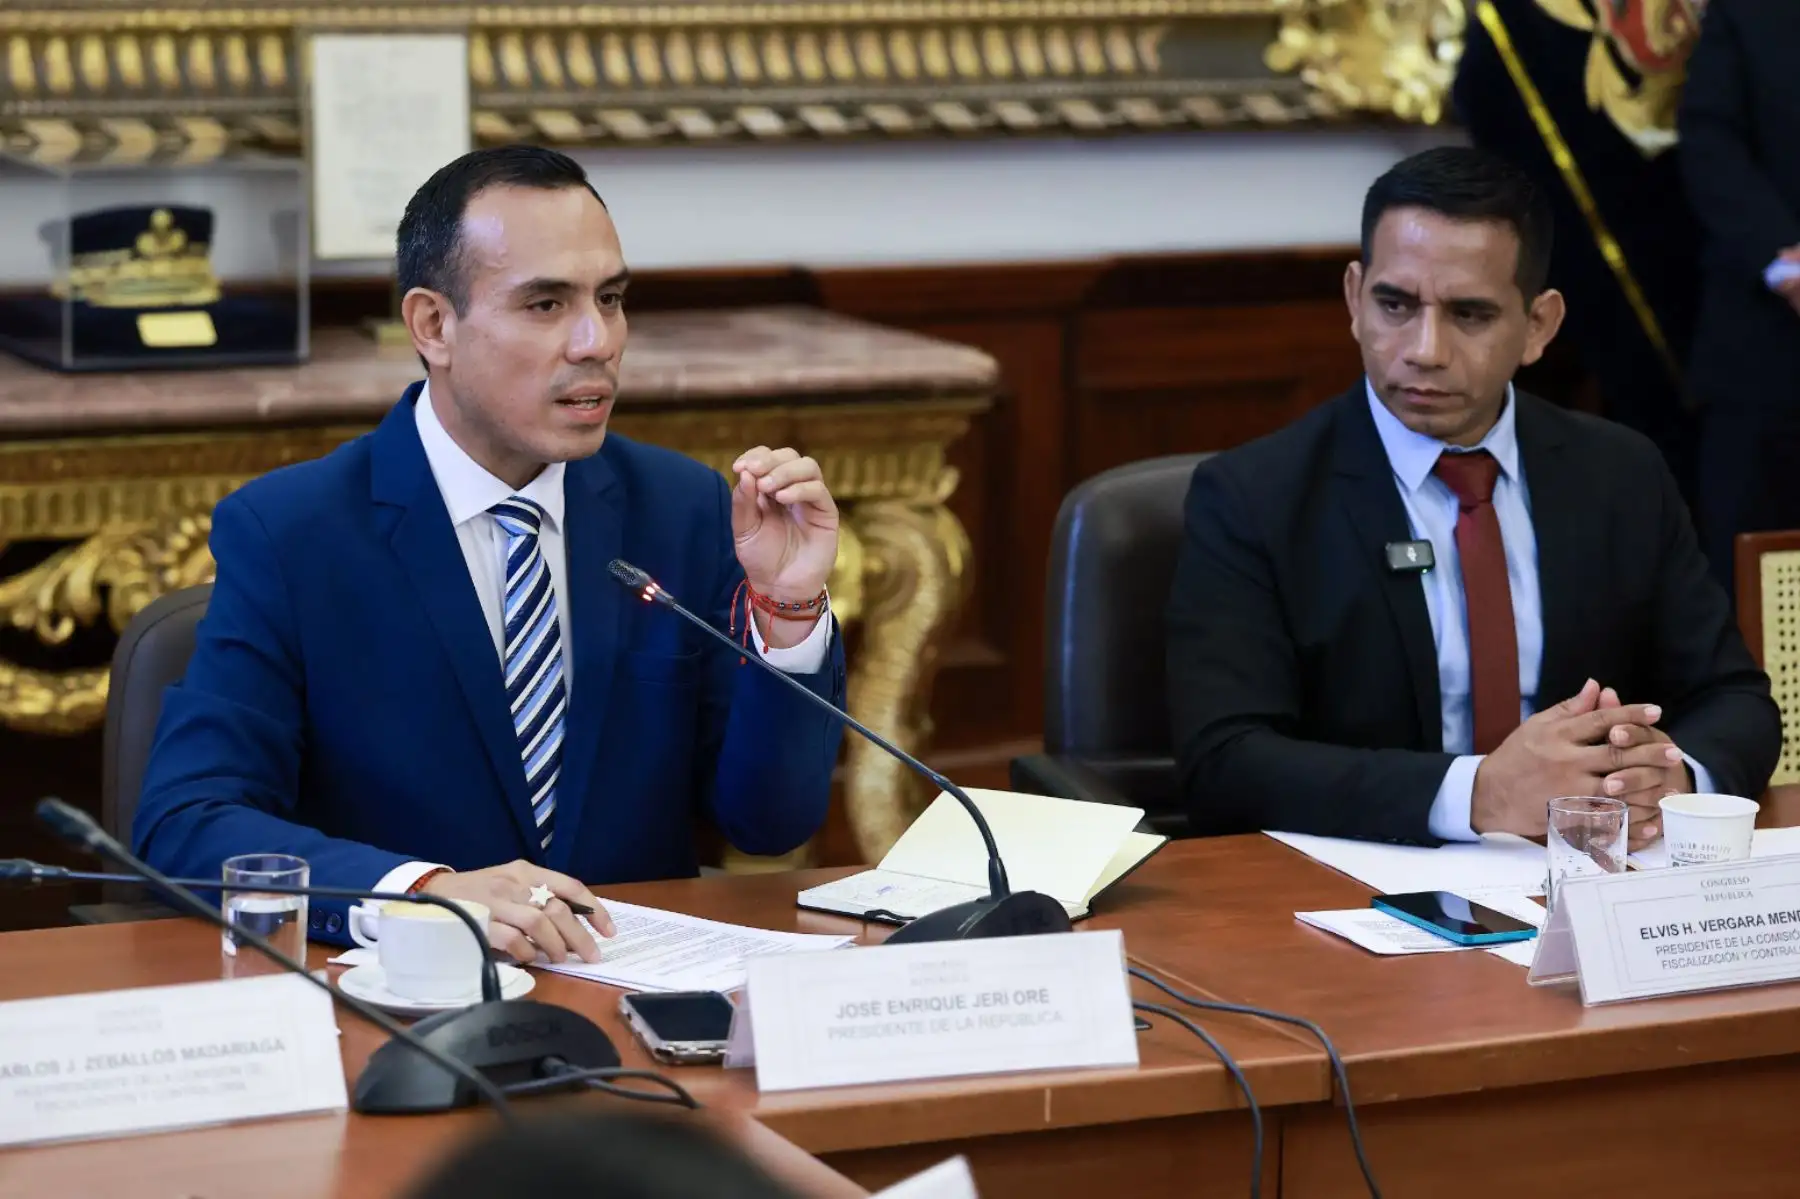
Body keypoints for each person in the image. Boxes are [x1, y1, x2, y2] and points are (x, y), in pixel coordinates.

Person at [133, 146, 846, 960]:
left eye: (610, 299)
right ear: (433, 326)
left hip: (634, 996)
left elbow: (771, 822)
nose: (596, 341)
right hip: (399, 1005)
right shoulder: (294, 531)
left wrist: (787, 611)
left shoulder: (683, 507)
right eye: (545, 304)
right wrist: (422, 895)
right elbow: (187, 822)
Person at [1167, 145, 1779, 848]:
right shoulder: (1254, 498)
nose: (1424, 348)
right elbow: (1224, 764)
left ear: (1539, 326)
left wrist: (1670, 780)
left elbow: (1734, 701)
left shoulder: (1621, 473)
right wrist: (1478, 793)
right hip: (1356, 893)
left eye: (1469, 314)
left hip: (1593, 877)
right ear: (1353, 299)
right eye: (1394, 304)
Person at [1677, 0, 1800, 600]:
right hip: (1765, 355)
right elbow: (1707, 140)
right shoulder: (1750, 14)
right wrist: (1784, 261)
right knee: (1752, 580)